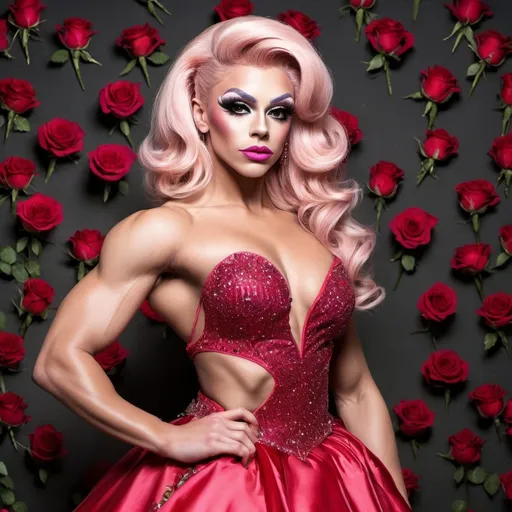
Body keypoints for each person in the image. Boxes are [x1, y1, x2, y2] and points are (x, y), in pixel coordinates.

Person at [33, 15, 412, 511]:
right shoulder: (169, 229)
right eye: (238, 107)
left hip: (335, 480)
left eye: (279, 112)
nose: (261, 128)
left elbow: (357, 391)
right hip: (231, 484)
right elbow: (58, 361)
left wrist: (394, 502)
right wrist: (166, 438)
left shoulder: (315, 232)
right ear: (200, 113)